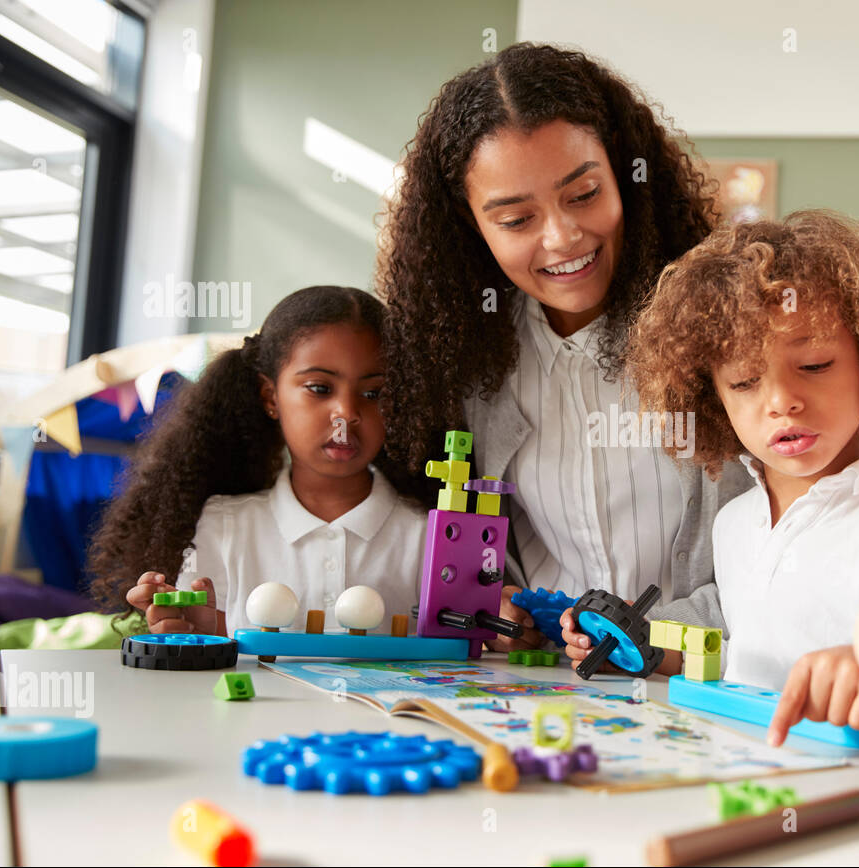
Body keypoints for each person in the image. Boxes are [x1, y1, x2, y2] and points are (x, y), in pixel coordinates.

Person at [375, 42, 752, 654]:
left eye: (583, 195)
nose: (562, 237)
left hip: (705, 681)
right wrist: (498, 601)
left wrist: (647, 642)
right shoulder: (467, 365)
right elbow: (483, 543)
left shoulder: (726, 331)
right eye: (516, 219)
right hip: (545, 688)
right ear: (472, 227)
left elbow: (785, 538)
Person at [615, 209, 859, 745]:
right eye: (746, 381)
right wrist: (648, 653)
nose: (781, 401)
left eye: (815, 365)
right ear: (712, 398)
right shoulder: (735, 523)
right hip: (744, 781)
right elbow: (753, 657)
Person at [87, 287, 431, 637]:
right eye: (320, 388)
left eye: (373, 393)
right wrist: (195, 634)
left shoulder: (432, 535)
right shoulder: (224, 527)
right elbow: (203, 671)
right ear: (271, 396)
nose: (347, 413)